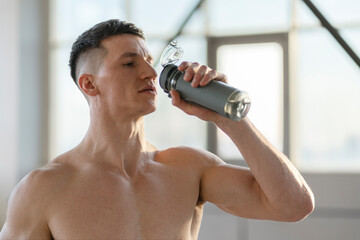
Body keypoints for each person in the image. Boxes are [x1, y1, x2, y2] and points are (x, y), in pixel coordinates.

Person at [0, 19, 314, 240]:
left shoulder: (187, 168)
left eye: (150, 61)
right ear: (89, 84)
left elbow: (294, 205)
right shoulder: (42, 190)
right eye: (129, 63)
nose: (151, 73)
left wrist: (228, 118)